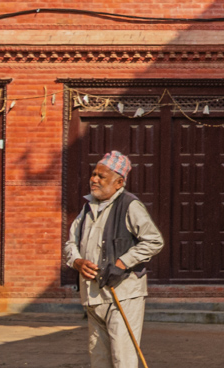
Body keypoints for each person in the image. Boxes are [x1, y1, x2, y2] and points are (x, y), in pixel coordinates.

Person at [63, 151, 164, 368]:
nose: (94, 180)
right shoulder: (87, 208)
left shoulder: (130, 205)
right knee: (99, 358)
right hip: (92, 296)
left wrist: (122, 263)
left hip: (123, 295)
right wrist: (77, 262)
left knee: (123, 358)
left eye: (101, 176)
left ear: (119, 182)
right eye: (93, 174)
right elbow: (70, 244)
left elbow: (154, 241)